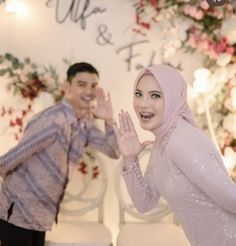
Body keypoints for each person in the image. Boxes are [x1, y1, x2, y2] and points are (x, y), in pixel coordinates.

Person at [115, 64, 236, 246]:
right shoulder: (162, 141)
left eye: (155, 95)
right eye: (138, 94)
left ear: (173, 98)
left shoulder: (181, 140)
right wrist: (130, 159)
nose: (143, 103)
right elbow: (145, 203)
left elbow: (231, 197)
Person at [0, 62, 120, 246]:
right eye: (82, 84)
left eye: (93, 86)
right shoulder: (53, 120)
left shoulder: (85, 121)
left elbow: (114, 151)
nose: (89, 91)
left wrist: (109, 120)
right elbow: (13, 157)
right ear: (67, 87)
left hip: (40, 216)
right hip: (17, 211)